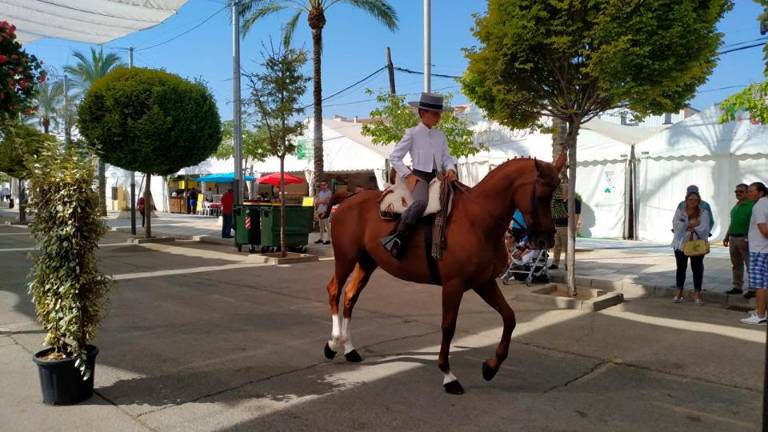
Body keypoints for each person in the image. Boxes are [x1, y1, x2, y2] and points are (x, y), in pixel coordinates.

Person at [380, 92, 458, 260]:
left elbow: (446, 157)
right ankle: (398, 238)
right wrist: (408, 175)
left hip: (439, 177)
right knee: (421, 203)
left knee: (459, 198)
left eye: (440, 114)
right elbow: (394, 157)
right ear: (423, 113)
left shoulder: (440, 135)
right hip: (420, 177)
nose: (439, 117)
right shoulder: (412, 133)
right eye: (435, 113)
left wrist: (451, 169)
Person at [671, 190, 710, 304]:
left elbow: (705, 228)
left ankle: (697, 294)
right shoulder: (680, 211)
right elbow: (675, 225)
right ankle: (679, 293)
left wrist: (692, 227)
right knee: (680, 268)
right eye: (690, 199)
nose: (693, 201)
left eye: (695, 200)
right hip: (680, 244)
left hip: (696, 244)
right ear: (686, 200)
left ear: (699, 201)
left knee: (697, 269)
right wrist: (691, 224)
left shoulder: (704, 213)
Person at [741, 182, 768, 325]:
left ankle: (761, 315)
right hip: (764, 249)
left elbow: (764, 231)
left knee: (760, 285)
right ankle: (763, 311)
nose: (749, 193)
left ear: (761, 193)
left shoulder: (758, 206)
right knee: (765, 284)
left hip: (759, 250)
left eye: (752, 191)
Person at [723, 184, 753, 295]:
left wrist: (748, 239)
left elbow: (753, 225)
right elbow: (732, 222)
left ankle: (753, 289)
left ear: (746, 192)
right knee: (736, 265)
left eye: (741, 191)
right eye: (736, 191)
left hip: (744, 238)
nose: (738, 193)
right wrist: (727, 236)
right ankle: (737, 287)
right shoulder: (736, 206)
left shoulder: (752, 206)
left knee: (750, 265)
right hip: (733, 238)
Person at [549, 184, 581, 270]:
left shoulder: (574, 201)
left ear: (567, 190)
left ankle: (568, 264)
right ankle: (555, 263)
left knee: (568, 247)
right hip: (556, 227)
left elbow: (576, 215)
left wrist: (574, 227)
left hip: (567, 227)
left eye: (562, 190)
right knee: (556, 246)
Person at [314, 180, 332, 245]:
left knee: (327, 226)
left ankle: (328, 239)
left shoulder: (329, 192)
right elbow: (317, 201)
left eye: (324, 185)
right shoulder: (320, 193)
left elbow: (328, 201)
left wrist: (321, 201)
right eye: (322, 185)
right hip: (320, 210)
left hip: (326, 211)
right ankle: (321, 238)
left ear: (327, 185)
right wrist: (322, 201)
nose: (323, 186)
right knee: (321, 226)